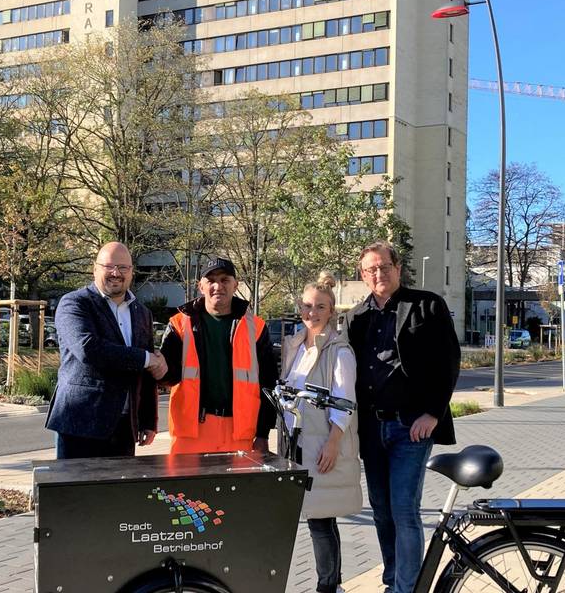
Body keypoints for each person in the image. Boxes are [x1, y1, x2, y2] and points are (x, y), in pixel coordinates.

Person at [345, 241, 461, 593]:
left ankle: (406, 589)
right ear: (363, 275)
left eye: (384, 266)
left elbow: (449, 362)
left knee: (404, 510)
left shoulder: (426, 305)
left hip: (411, 426)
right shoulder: (356, 317)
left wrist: (432, 414)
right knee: (381, 510)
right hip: (371, 428)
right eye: (371, 269)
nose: (378, 274)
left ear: (397, 267)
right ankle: (393, 580)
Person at [280, 273, 361, 593]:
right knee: (312, 517)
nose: (312, 312)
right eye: (308, 305)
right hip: (294, 444)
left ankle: (329, 586)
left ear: (332, 312)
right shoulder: (295, 345)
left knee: (321, 520)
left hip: (320, 445)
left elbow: (345, 404)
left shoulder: (339, 352)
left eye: (320, 307)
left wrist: (333, 444)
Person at [46, 242, 165, 459]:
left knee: (116, 493)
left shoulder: (142, 313)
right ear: (95, 269)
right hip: (80, 424)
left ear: (131, 272)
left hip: (124, 428)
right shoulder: (74, 304)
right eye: (108, 266)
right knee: (75, 493)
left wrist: (148, 421)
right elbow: (89, 349)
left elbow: (145, 373)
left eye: (123, 268)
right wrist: (147, 358)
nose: (115, 273)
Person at [159, 257, 278, 454]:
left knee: (238, 486)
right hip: (190, 434)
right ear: (200, 286)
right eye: (211, 280)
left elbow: (268, 384)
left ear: (235, 285)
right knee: (187, 486)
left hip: (239, 434)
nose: (218, 286)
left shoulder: (256, 327)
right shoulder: (180, 324)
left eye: (225, 280)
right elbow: (166, 376)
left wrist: (263, 434)